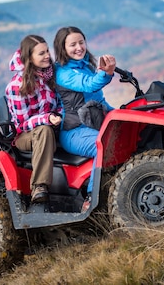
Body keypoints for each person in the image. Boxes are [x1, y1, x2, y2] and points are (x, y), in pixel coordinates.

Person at [53, 26, 116, 208]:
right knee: (102, 145)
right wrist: (106, 73)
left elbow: (100, 102)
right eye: (72, 44)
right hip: (75, 131)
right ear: (62, 48)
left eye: (81, 42)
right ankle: (91, 199)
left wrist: (123, 113)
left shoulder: (87, 66)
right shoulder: (62, 73)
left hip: (95, 123)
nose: (79, 47)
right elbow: (89, 86)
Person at [5, 35, 63, 204]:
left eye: (47, 51)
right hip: (25, 135)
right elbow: (22, 124)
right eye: (41, 53)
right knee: (43, 131)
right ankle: (39, 186)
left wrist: (59, 115)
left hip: (52, 125)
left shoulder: (49, 76)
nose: (47, 56)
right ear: (29, 58)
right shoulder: (17, 86)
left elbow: (59, 103)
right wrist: (47, 119)